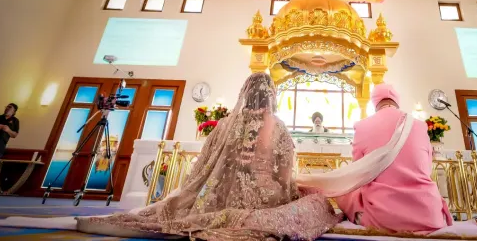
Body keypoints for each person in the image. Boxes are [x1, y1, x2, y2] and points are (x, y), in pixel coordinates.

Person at [74, 72, 340, 239]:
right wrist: (285, 193)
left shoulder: (224, 124)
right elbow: (283, 175)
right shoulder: (278, 126)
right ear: (272, 96)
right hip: (266, 196)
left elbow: (203, 167)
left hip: (219, 193)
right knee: (316, 202)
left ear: (244, 94)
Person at [333, 84, 452, 233]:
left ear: (374, 102)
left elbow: (358, 174)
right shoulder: (420, 125)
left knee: (343, 191)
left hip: (381, 218)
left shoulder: (362, 126)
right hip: (429, 214)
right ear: (397, 101)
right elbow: (427, 169)